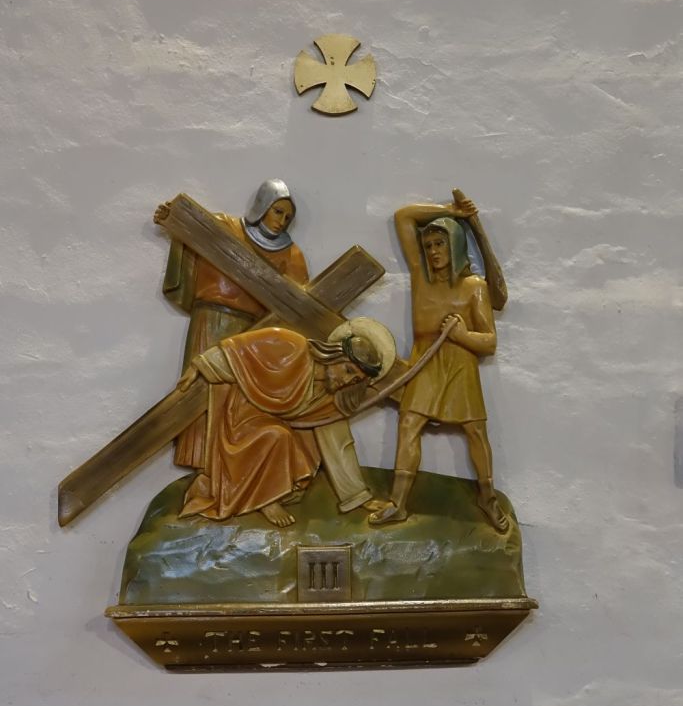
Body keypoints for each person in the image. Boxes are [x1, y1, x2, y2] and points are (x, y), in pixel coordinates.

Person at [369, 198, 509, 533]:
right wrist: (452, 212)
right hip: (425, 361)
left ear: (455, 245)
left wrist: (462, 335)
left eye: (440, 243)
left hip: (460, 365)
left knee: (475, 431)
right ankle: (398, 503)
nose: (432, 251)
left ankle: (487, 498)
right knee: (409, 424)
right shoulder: (422, 277)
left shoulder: (474, 287)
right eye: (428, 245)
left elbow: (489, 342)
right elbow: (404, 216)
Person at [175, 320, 396, 528]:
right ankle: (267, 501)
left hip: (270, 429)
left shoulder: (327, 397)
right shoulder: (291, 347)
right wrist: (200, 365)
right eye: (348, 370)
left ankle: (271, 493)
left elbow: (338, 443)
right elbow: (241, 352)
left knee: (295, 440)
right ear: (334, 354)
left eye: (355, 380)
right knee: (278, 435)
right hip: (239, 419)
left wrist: (358, 497)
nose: (346, 381)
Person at [154, 179, 308, 468]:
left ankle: (229, 466)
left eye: (288, 217)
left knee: (236, 399)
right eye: (278, 211)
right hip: (209, 319)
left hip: (252, 334)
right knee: (199, 389)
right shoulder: (226, 227)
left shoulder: (292, 254)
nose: (282, 221)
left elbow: (300, 304)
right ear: (262, 206)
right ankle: (199, 460)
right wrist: (171, 220)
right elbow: (189, 226)